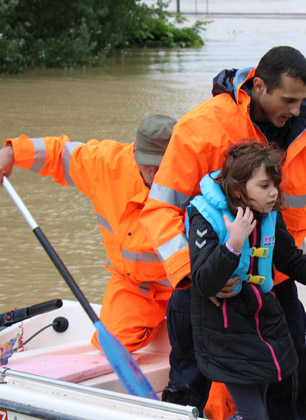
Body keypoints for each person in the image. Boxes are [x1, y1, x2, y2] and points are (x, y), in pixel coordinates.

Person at [141, 45, 306, 418]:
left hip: (274, 279)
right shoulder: (201, 129)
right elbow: (161, 209)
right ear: (259, 87)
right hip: (204, 290)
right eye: (288, 100)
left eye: (301, 100)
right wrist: (193, 274)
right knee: (192, 384)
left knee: (290, 376)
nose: (296, 110)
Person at [188, 140, 306, 420]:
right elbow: (204, 281)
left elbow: (289, 257)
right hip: (224, 329)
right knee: (254, 414)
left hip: (261, 320)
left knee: (258, 408)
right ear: (239, 189)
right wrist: (233, 244)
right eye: (264, 186)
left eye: (275, 184)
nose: (274, 192)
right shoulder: (205, 217)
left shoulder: (268, 215)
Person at [0, 115, 176, 354]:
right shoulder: (106, 164)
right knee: (112, 345)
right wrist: (12, 153)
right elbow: (59, 154)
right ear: (135, 151)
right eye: (148, 164)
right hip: (135, 287)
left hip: (186, 284)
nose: (154, 173)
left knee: (203, 345)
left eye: (162, 165)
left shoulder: (193, 174)